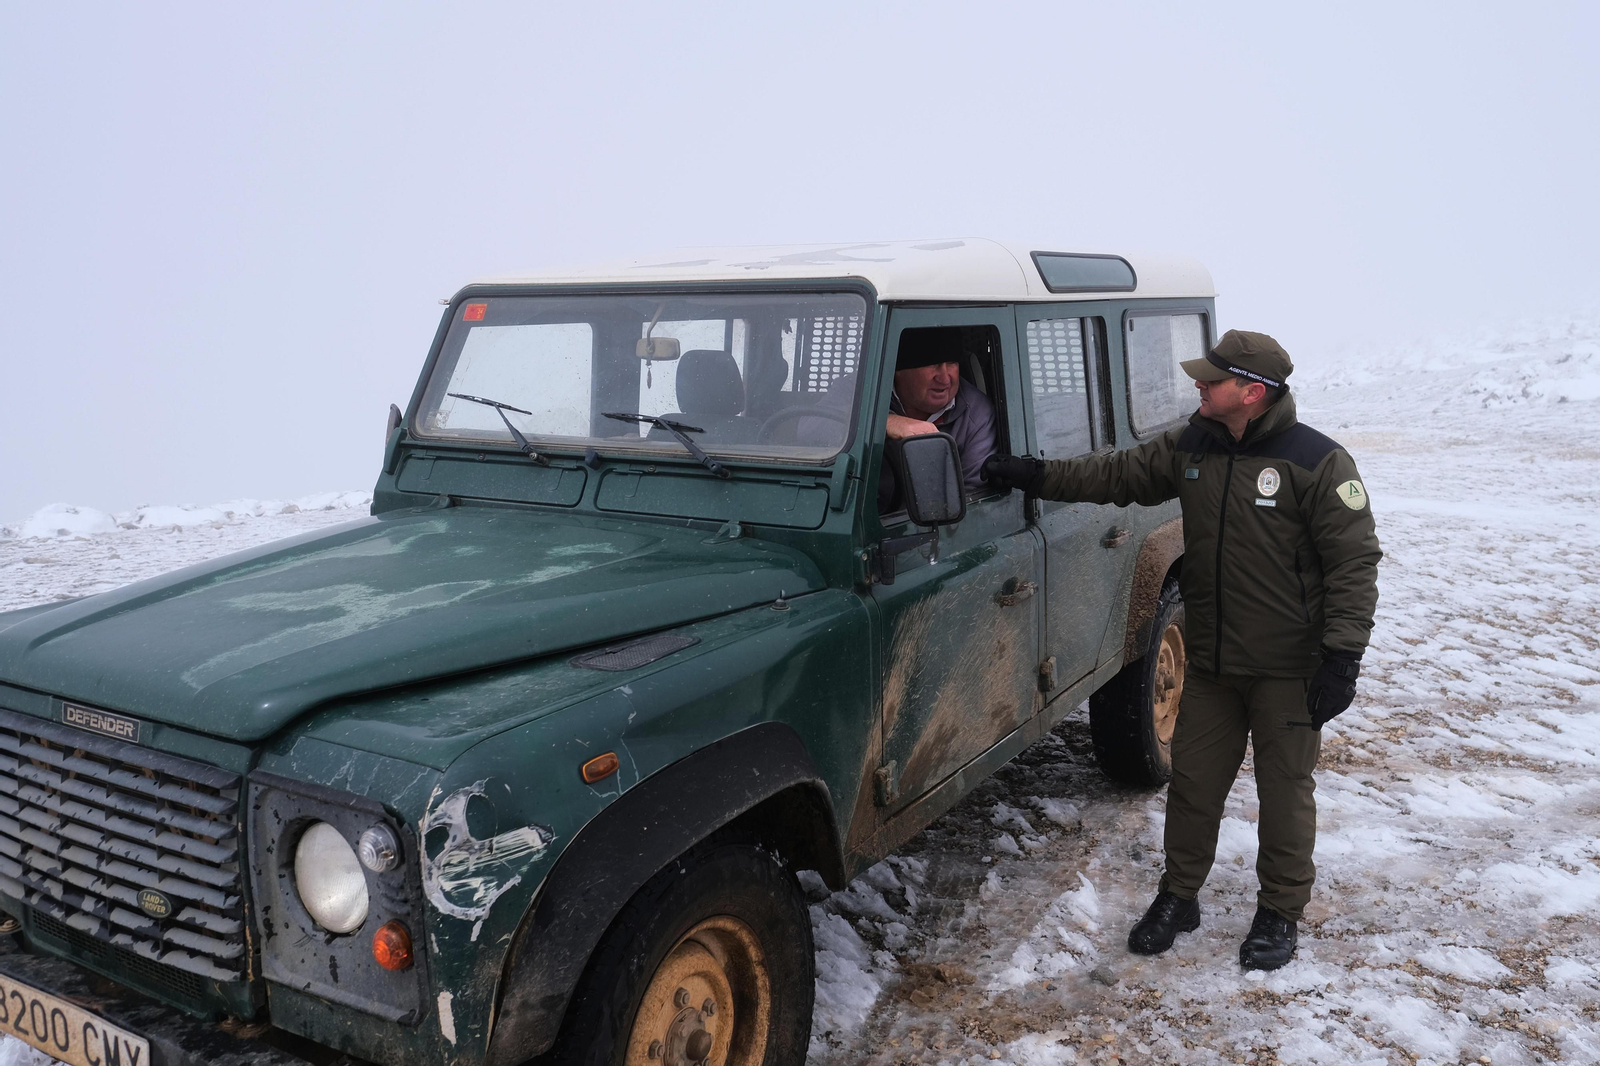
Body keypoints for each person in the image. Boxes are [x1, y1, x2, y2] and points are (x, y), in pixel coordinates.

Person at [983, 329, 1380, 971]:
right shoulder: (1194, 444)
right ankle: (1179, 897)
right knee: (1193, 787)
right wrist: (1037, 475)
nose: (1198, 384)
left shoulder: (1318, 462)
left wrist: (1343, 657)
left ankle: (1279, 912)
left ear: (1251, 392)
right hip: (1214, 663)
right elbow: (1118, 474)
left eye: (1211, 379)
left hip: (1288, 670)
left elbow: (1354, 563)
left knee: (1284, 794)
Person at [880, 328, 998, 509]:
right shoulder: (859, 392)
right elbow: (823, 434)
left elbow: (973, 502)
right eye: (932, 364)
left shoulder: (977, 414)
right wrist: (885, 422)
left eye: (951, 363)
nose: (944, 378)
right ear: (898, 370)